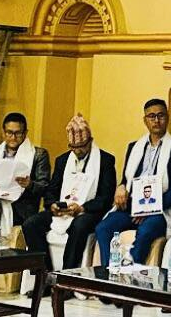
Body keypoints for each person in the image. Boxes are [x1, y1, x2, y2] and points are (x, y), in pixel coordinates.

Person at [95, 98, 171, 266]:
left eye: (161, 115)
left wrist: (149, 208)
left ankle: (130, 267)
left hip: (160, 210)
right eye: (151, 116)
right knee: (103, 228)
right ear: (145, 120)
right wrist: (121, 187)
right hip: (132, 207)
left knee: (146, 231)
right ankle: (107, 271)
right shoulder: (134, 147)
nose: (156, 120)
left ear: (167, 118)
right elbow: (127, 179)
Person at [22, 115, 116, 274]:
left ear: (90, 141)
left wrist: (82, 208)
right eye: (73, 147)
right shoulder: (63, 160)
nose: (77, 151)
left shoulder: (105, 160)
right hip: (62, 210)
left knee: (79, 225)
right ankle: (43, 274)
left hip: (89, 211)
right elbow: (51, 190)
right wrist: (52, 205)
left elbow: (106, 197)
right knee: (30, 224)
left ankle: (66, 275)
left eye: (82, 146)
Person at [0, 112, 50, 240]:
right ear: (3, 133)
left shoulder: (38, 155)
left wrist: (30, 184)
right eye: (9, 133)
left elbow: (45, 187)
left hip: (21, 206)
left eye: (18, 133)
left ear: (25, 133)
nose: (13, 137)